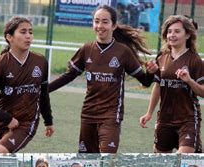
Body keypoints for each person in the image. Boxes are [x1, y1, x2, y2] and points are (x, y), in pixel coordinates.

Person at [48, 5, 156, 153]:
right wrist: (43, 90)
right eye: (96, 21)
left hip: (111, 115)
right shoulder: (86, 49)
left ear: (114, 25)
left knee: (107, 159)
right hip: (88, 114)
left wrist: (150, 73)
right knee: (87, 162)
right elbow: (68, 76)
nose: (100, 26)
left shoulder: (123, 52)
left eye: (105, 22)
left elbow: (145, 81)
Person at [0, 17, 54, 153]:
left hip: (26, 122)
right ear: (9, 37)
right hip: (1, 121)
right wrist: (7, 119)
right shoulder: (0, 64)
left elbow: (43, 94)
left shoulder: (40, 62)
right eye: (23, 32)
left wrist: (48, 121)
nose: (28, 36)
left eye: (30, 32)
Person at [139, 15, 203, 153]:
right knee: (161, 162)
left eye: (177, 31)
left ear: (187, 35)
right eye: (169, 31)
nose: (172, 35)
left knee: (184, 161)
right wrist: (149, 113)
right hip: (164, 119)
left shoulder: (195, 61)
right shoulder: (162, 57)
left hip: (188, 120)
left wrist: (189, 81)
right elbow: (157, 85)